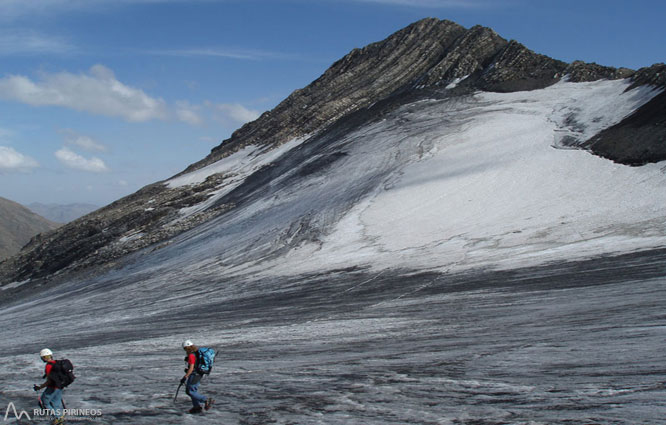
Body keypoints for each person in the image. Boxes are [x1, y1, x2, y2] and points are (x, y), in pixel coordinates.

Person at [181, 340, 213, 414]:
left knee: (190, 391)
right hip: (197, 374)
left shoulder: (192, 355)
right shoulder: (196, 353)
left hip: (195, 375)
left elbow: (191, 368)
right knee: (191, 391)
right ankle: (196, 407)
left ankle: (206, 400)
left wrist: (185, 377)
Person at [34, 348, 64, 425]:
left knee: (45, 402)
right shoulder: (57, 363)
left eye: (42, 357)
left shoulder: (48, 366)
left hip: (52, 388)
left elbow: (49, 381)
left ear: (44, 357)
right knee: (56, 404)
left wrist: (40, 387)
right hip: (60, 387)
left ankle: (58, 418)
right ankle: (60, 418)